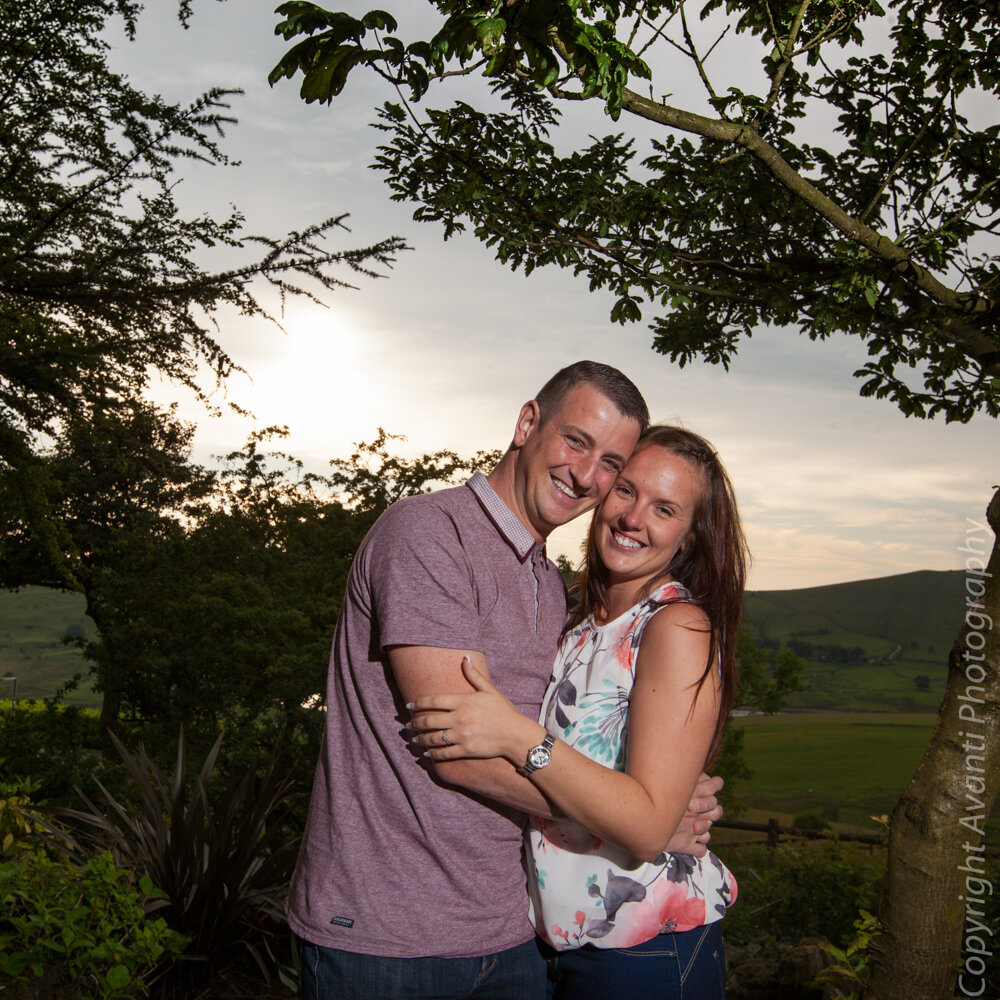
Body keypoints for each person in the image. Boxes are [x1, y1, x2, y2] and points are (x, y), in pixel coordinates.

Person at [286, 363, 724, 1000]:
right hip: (390, 935)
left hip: (511, 933)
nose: (585, 475)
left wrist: (657, 797)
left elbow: (584, 741)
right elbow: (459, 753)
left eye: (609, 463)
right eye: (576, 441)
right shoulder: (431, 534)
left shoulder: (551, 584)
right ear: (527, 423)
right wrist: (635, 817)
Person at [409, 425, 746, 999]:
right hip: (565, 945)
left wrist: (520, 738)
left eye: (664, 509)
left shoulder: (675, 626)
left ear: (688, 538)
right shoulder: (577, 621)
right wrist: (647, 807)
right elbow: (630, 798)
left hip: (649, 947)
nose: (633, 518)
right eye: (627, 492)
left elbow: (643, 829)